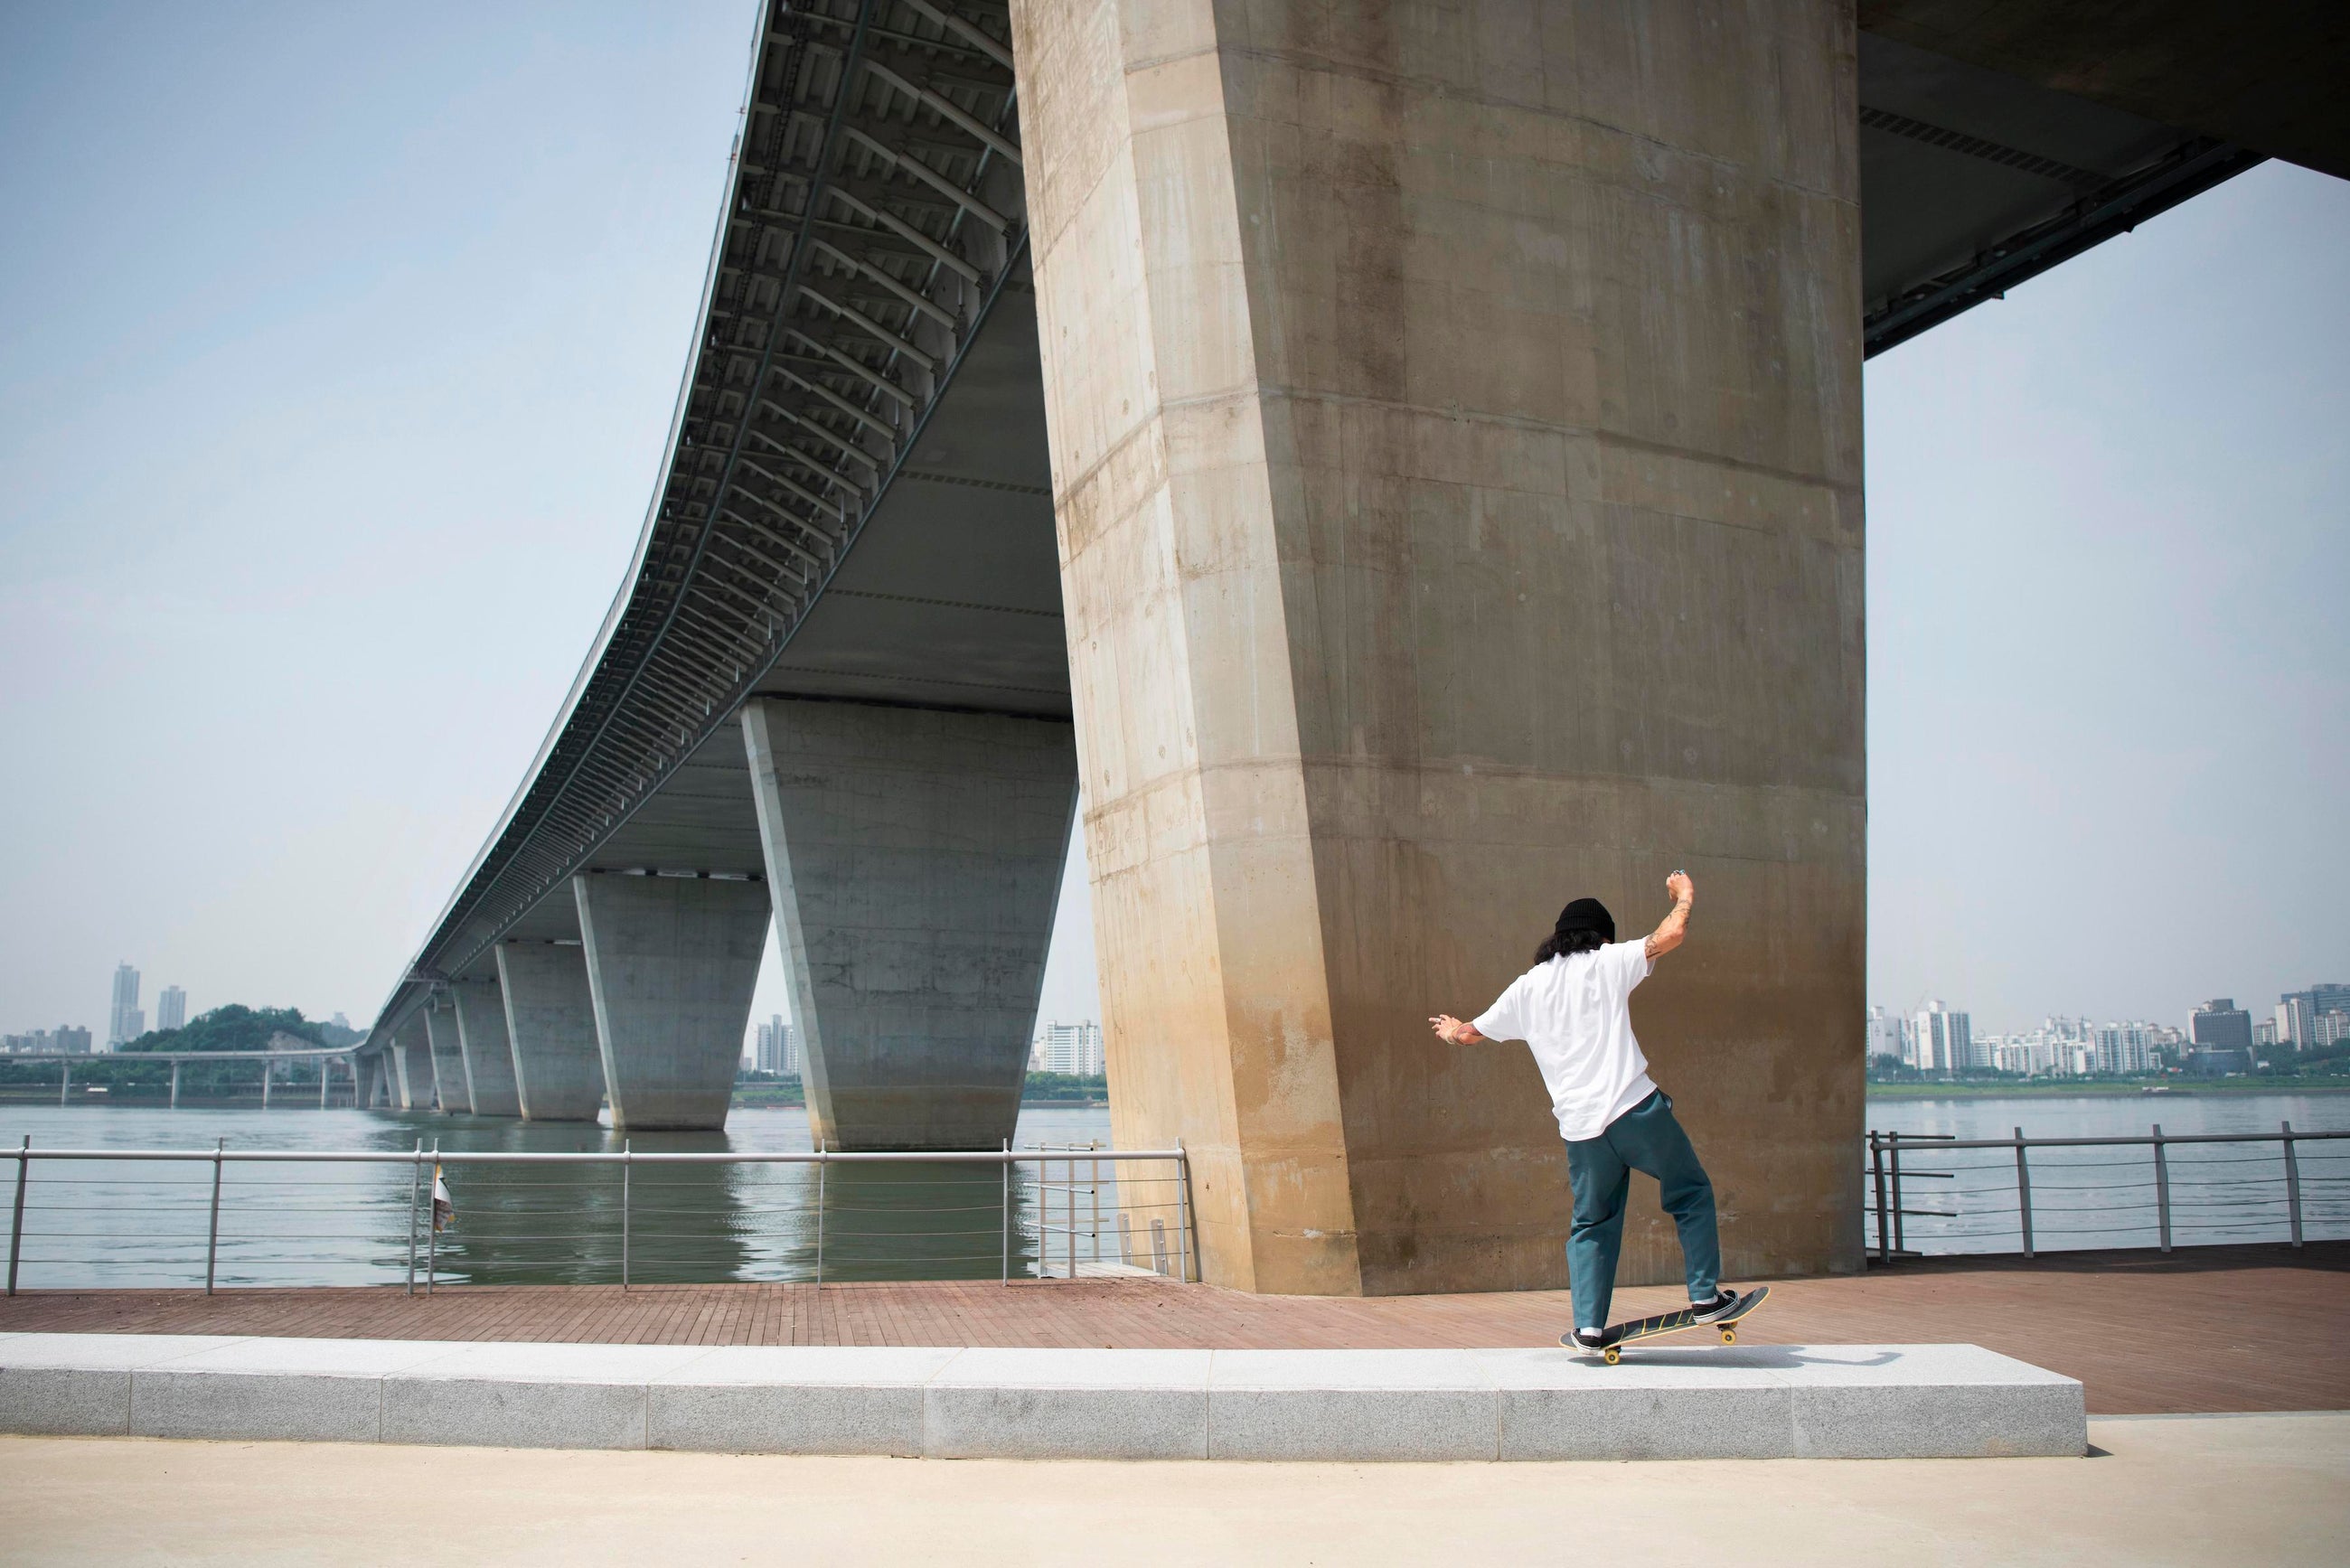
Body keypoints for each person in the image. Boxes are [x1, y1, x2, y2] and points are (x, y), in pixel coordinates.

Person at [1429, 871, 1736, 1349]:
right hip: (1635, 1111)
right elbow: (1671, 934)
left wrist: (1451, 1031)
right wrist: (1685, 896)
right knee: (1690, 1190)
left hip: (1582, 1133)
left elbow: (1470, 1034)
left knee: (1592, 1224)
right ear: (1601, 936)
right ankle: (1704, 1298)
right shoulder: (1606, 961)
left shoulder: (1527, 987)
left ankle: (1589, 1328)